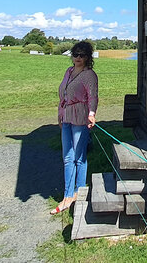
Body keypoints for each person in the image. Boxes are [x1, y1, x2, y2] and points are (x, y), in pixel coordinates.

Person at [51, 41, 98, 215]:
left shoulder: (89, 75)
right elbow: (62, 94)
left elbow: (93, 97)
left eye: (82, 55)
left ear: (88, 57)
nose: (78, 58)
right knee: (67, 157)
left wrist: (91, 113)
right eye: (75, 54)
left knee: (79, 157)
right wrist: (59, 115)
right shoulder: (69, 72)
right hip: (66, 115)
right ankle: (68, 195)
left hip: (80, 116)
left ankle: (78, 192)